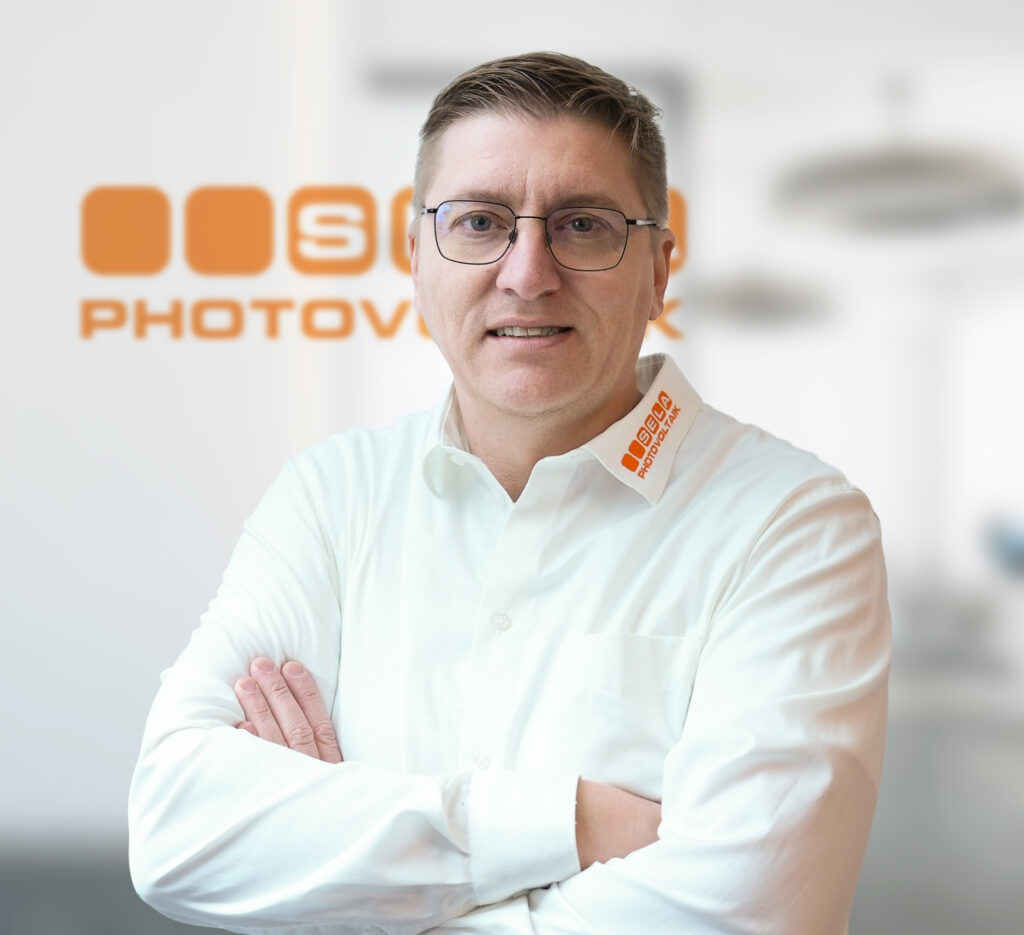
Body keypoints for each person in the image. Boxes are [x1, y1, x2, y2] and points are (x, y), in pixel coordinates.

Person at [129, 52, 891, 934]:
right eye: (481, 222)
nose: (527, 273)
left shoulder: (795, 524)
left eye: (583, 225)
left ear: (658, 269)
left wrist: (351, 875)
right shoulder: (331, 498)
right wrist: (572, 822)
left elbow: (748, 911)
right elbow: (177, 830)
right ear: (416, 258)